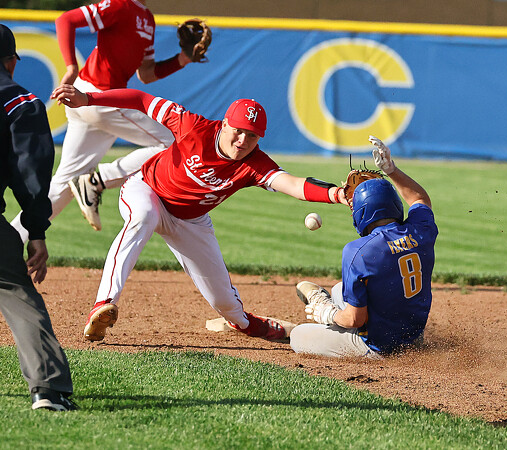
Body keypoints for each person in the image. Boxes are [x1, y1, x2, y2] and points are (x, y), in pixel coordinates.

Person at [51, 83, 349, 342]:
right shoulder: (192, 126)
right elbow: (141, 99)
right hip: (147, 190)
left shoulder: (254, 164)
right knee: (142, 218)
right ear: (224, 124)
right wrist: (88, 99)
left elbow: (294, 184)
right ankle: (103, 305)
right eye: (238, 131)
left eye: (252, 136)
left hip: (190, 221)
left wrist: (337, 194)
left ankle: (245, 324)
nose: (243, 141)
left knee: (226, 303)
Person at [11, 0, 199, 238]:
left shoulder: (147, 19)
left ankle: (10, 240)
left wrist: (182, 59)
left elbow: (147, 73)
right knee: (175, 142)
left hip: (96, 101)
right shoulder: (120, 5)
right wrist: (71, 67)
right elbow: (65, 20)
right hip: (98, 96)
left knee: (64, 183)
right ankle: (97, 181)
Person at [290, 136, 438, 358]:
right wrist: (390, 169)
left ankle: (323, 304)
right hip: (414, 337)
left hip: (379, 347)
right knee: (340, 290)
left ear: (361, 214)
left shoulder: (358, 251)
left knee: (298, 336)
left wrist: (327, 313)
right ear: (395, 205)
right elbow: (419, 199)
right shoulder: (421, 230)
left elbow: (354, 319)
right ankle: (329, 304)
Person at [0, 24, 76, 411]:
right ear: (12, 61)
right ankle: (48, 390)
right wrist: (36, 231)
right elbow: (30, 173)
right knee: (16, 293)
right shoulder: (20, 101)